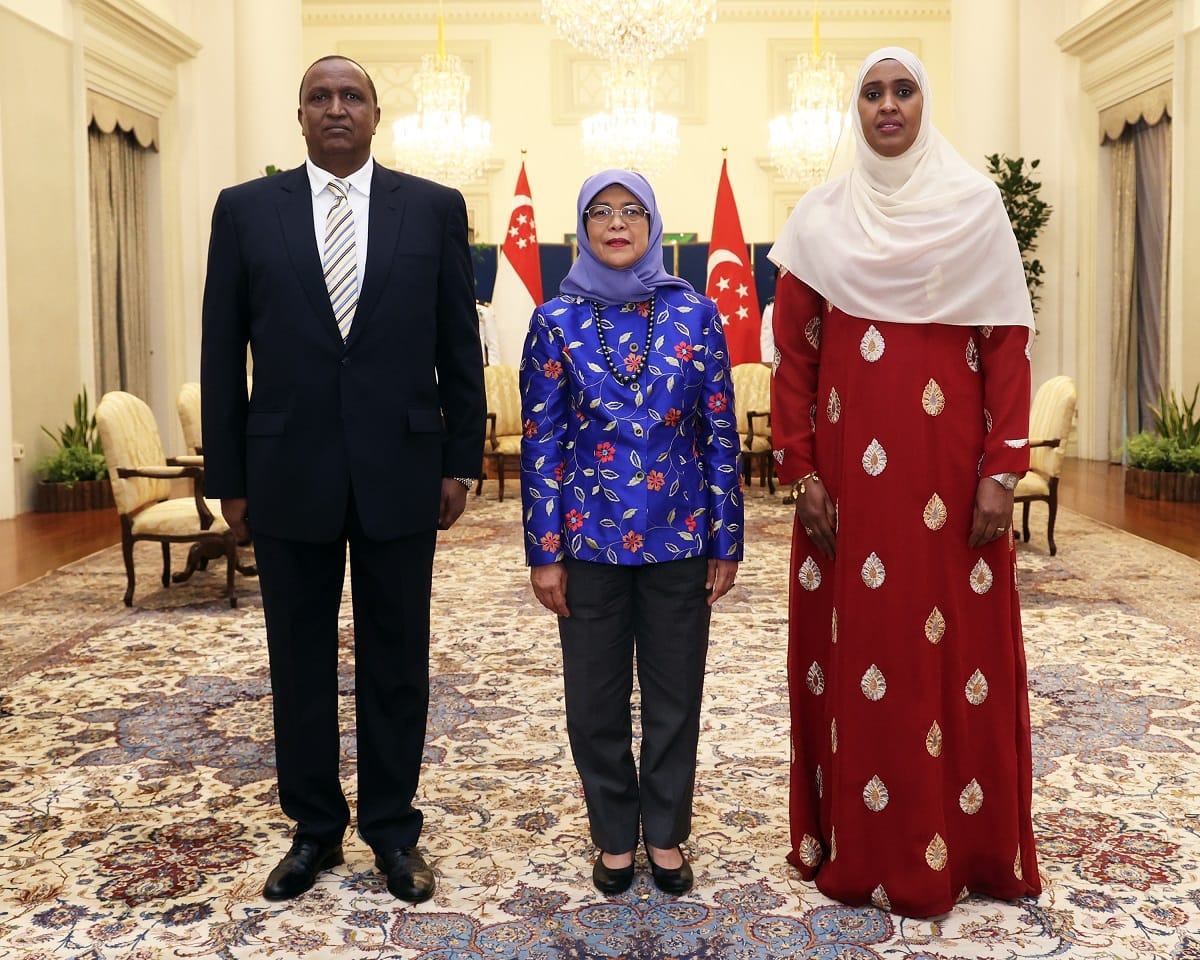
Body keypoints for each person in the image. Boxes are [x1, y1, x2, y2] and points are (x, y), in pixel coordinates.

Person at [200, 55, 485, 904]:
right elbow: (223, 352)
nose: (336, 108)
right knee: (298, 659)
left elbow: (455, 346)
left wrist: (460, 456)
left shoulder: (432, 209)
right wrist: (230, 475)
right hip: (287, 471)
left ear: (375, 113)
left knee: (397, 659)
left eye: (350, 96)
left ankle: (394, 833)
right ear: (298, 115)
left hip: (402, 466)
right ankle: (314, 830)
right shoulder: (247, 211)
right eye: (320, 97)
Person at [767, 47, 1042, 918]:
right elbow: (795, 360)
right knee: (863, 647)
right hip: (850, 484)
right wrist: (801, 467)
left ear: (926, 103)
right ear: (856, 110)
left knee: (951, 654)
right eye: (873, 93)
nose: (888, 106)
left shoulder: (974, 207)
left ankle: (963, 848)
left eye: (904, 90)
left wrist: (1003, 469)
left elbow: (1005, 349)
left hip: (951, 481)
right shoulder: (818, 219)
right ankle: (856, 844)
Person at [520, 170, 743, 897]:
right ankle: (616, 837)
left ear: (654, 225)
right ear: (580, 229)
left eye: (632, 211)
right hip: (589, 546)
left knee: (676, 696)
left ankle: (668, 835)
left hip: (679, 539)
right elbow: (542, 441)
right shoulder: (554, 321)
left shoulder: (696, 315)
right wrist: (543, 552)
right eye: (600, 212)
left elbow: (718, 433)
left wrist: (726, 538)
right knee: (594, 700)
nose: (617, 224)